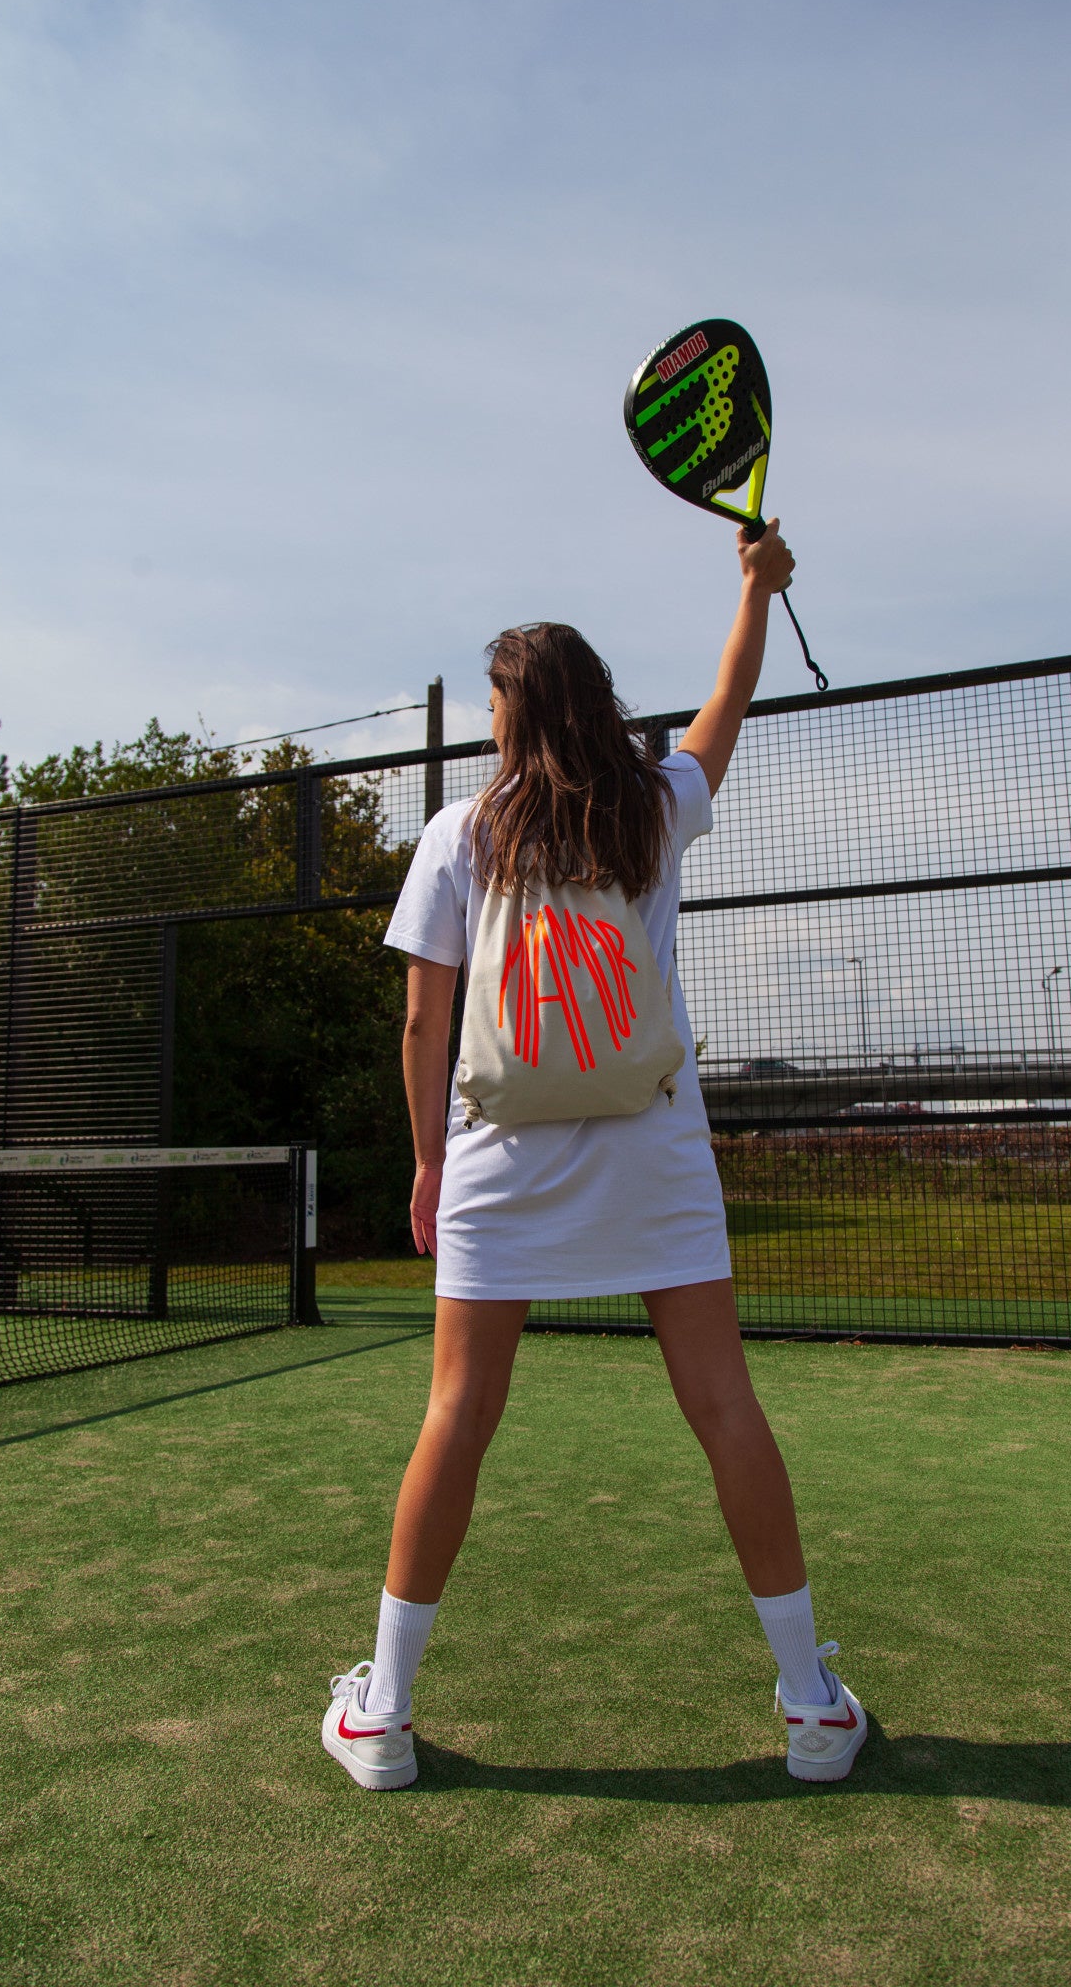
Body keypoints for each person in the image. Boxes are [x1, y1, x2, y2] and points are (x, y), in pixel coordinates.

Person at [322, 520, 867, 1790]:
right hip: (656, 1152)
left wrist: (424, 1161)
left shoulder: (461, 833)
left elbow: (424, 1018)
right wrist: (755, 589)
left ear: (511, 719)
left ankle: (385, 1712)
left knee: (457, 1414)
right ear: (597, 705)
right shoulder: (652, 810)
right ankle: (810, 1706)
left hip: (499, 1157)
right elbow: (727, 703)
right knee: (723, 1405)